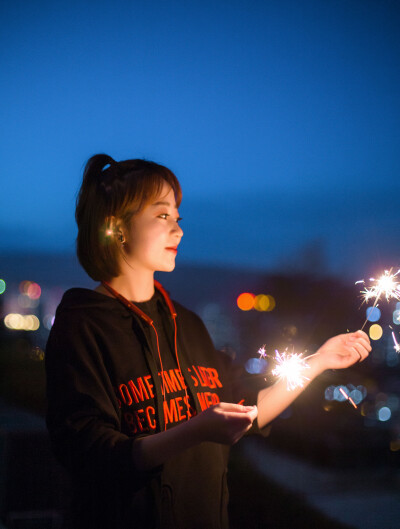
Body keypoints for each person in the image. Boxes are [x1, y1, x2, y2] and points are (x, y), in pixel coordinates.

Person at [45, 154, 371, 529]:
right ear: (117, 227)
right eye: (162, 215)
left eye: (178, 217)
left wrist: (318, 361)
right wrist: (194, 431)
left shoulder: (189, 325)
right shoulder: (82, 326)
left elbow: (249, 411)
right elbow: (88, 453)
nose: (178, 229)